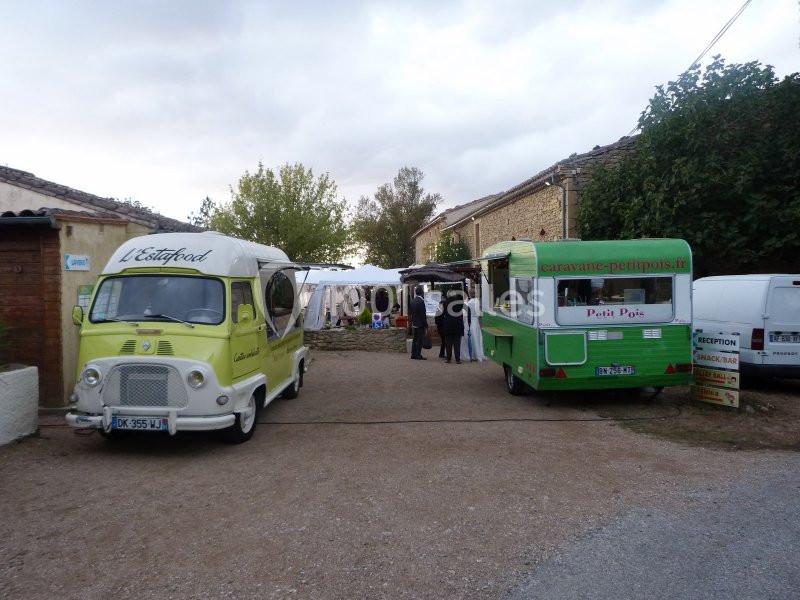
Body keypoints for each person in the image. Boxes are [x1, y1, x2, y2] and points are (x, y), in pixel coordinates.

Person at [442, 291, 465, 364]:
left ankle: (448, 359)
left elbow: (444, 312)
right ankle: (457, 359)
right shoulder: (459, 302)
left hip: (448, 325)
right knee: (457, 343)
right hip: (457, 325)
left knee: (448, 343)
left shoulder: (445, 302)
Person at [409, 285, 428, 360]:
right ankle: (418, 355)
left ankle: (413, 354)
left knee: (414, 339)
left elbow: (411, 313)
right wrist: (426, 325)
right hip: (420, 324)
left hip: (414, 323)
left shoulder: (413, 301)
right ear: (422, 292)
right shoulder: (421, 301)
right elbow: (423, 314)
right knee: (419, 340)